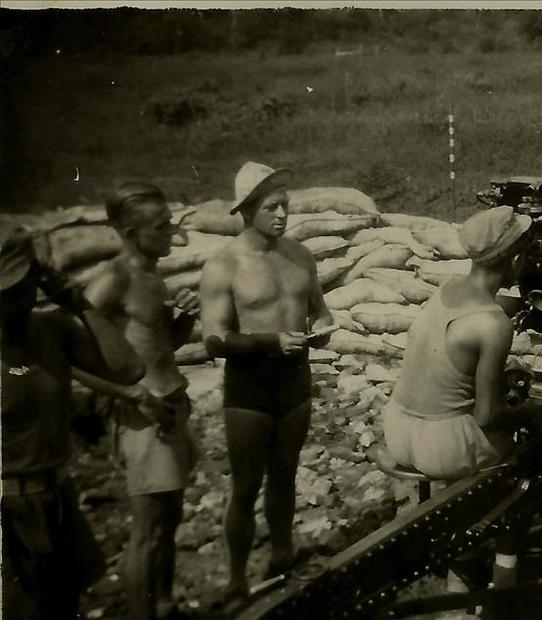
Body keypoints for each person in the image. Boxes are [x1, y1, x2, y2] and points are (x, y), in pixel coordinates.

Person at [199, 161, 335, 610]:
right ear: (247, 210)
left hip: (294, 383)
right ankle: (237, 580)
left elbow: (320, 310)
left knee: (285, 476)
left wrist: (324, 327)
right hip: (249, 389)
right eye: (272, 207)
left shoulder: (300, 256)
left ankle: (282, 557)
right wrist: (269, 342)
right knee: (245, 486)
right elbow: (214, 339)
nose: (282, 214)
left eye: (285, 205)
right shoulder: (224, 265)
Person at [383, 205, 533, 592]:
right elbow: (487, 416)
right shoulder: (494, 324)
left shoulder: (447, 288)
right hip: (441, 444)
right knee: (527, 464)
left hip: (398, 428)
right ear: (515, 259)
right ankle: (500, 579)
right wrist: (533, 412)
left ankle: (462, 558)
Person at [1, 224, 146, 619]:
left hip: (57, 495)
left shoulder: (52, 330)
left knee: (65, 607)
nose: (12, 301)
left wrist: (77, 301)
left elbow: (129, 369)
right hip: (7, 508)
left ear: (36, 278)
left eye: (18, 287)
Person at [70, 182, 199, 619]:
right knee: (147, 530)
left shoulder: (152, 273)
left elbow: (158, 347)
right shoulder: (114, 279)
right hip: (143, 418)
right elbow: (68, 354)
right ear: (130, 232)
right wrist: (127, 394)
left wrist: (184, 320)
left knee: (169, 519)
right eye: (161, 226)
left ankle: (163, 606)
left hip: (170, 407)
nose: (171, 233)